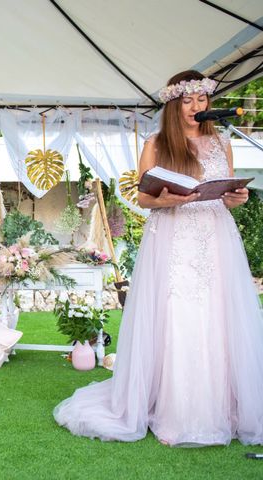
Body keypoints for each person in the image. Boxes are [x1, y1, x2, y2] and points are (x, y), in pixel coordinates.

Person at [54, 70, 263, 446]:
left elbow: (228, 190)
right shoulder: (156, 142)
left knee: (219, 316)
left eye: (201, 100)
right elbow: (142, 197)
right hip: (173, 236)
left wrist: (236, 197)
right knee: (177, 315)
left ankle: (225, 407)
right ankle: (175, 409)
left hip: (215, 236)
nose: (196, 108)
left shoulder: (223, 142)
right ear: (173, 104)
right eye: (187, 101)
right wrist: (167, 199)